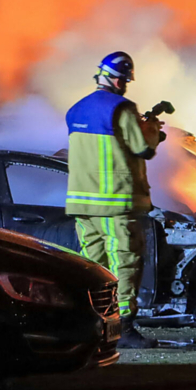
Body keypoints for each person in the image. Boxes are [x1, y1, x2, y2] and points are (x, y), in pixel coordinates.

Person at [65, 51, 164, 349]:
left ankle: (93, 327)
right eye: (123, 78)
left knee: (93, 268)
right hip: (115, 205)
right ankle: (124, 329)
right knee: (125, 263)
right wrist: (154, 131)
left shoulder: (76, 110)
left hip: (82, 205)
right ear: (111, 76)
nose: (123, 84)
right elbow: (143, 148)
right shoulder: (122, 108)